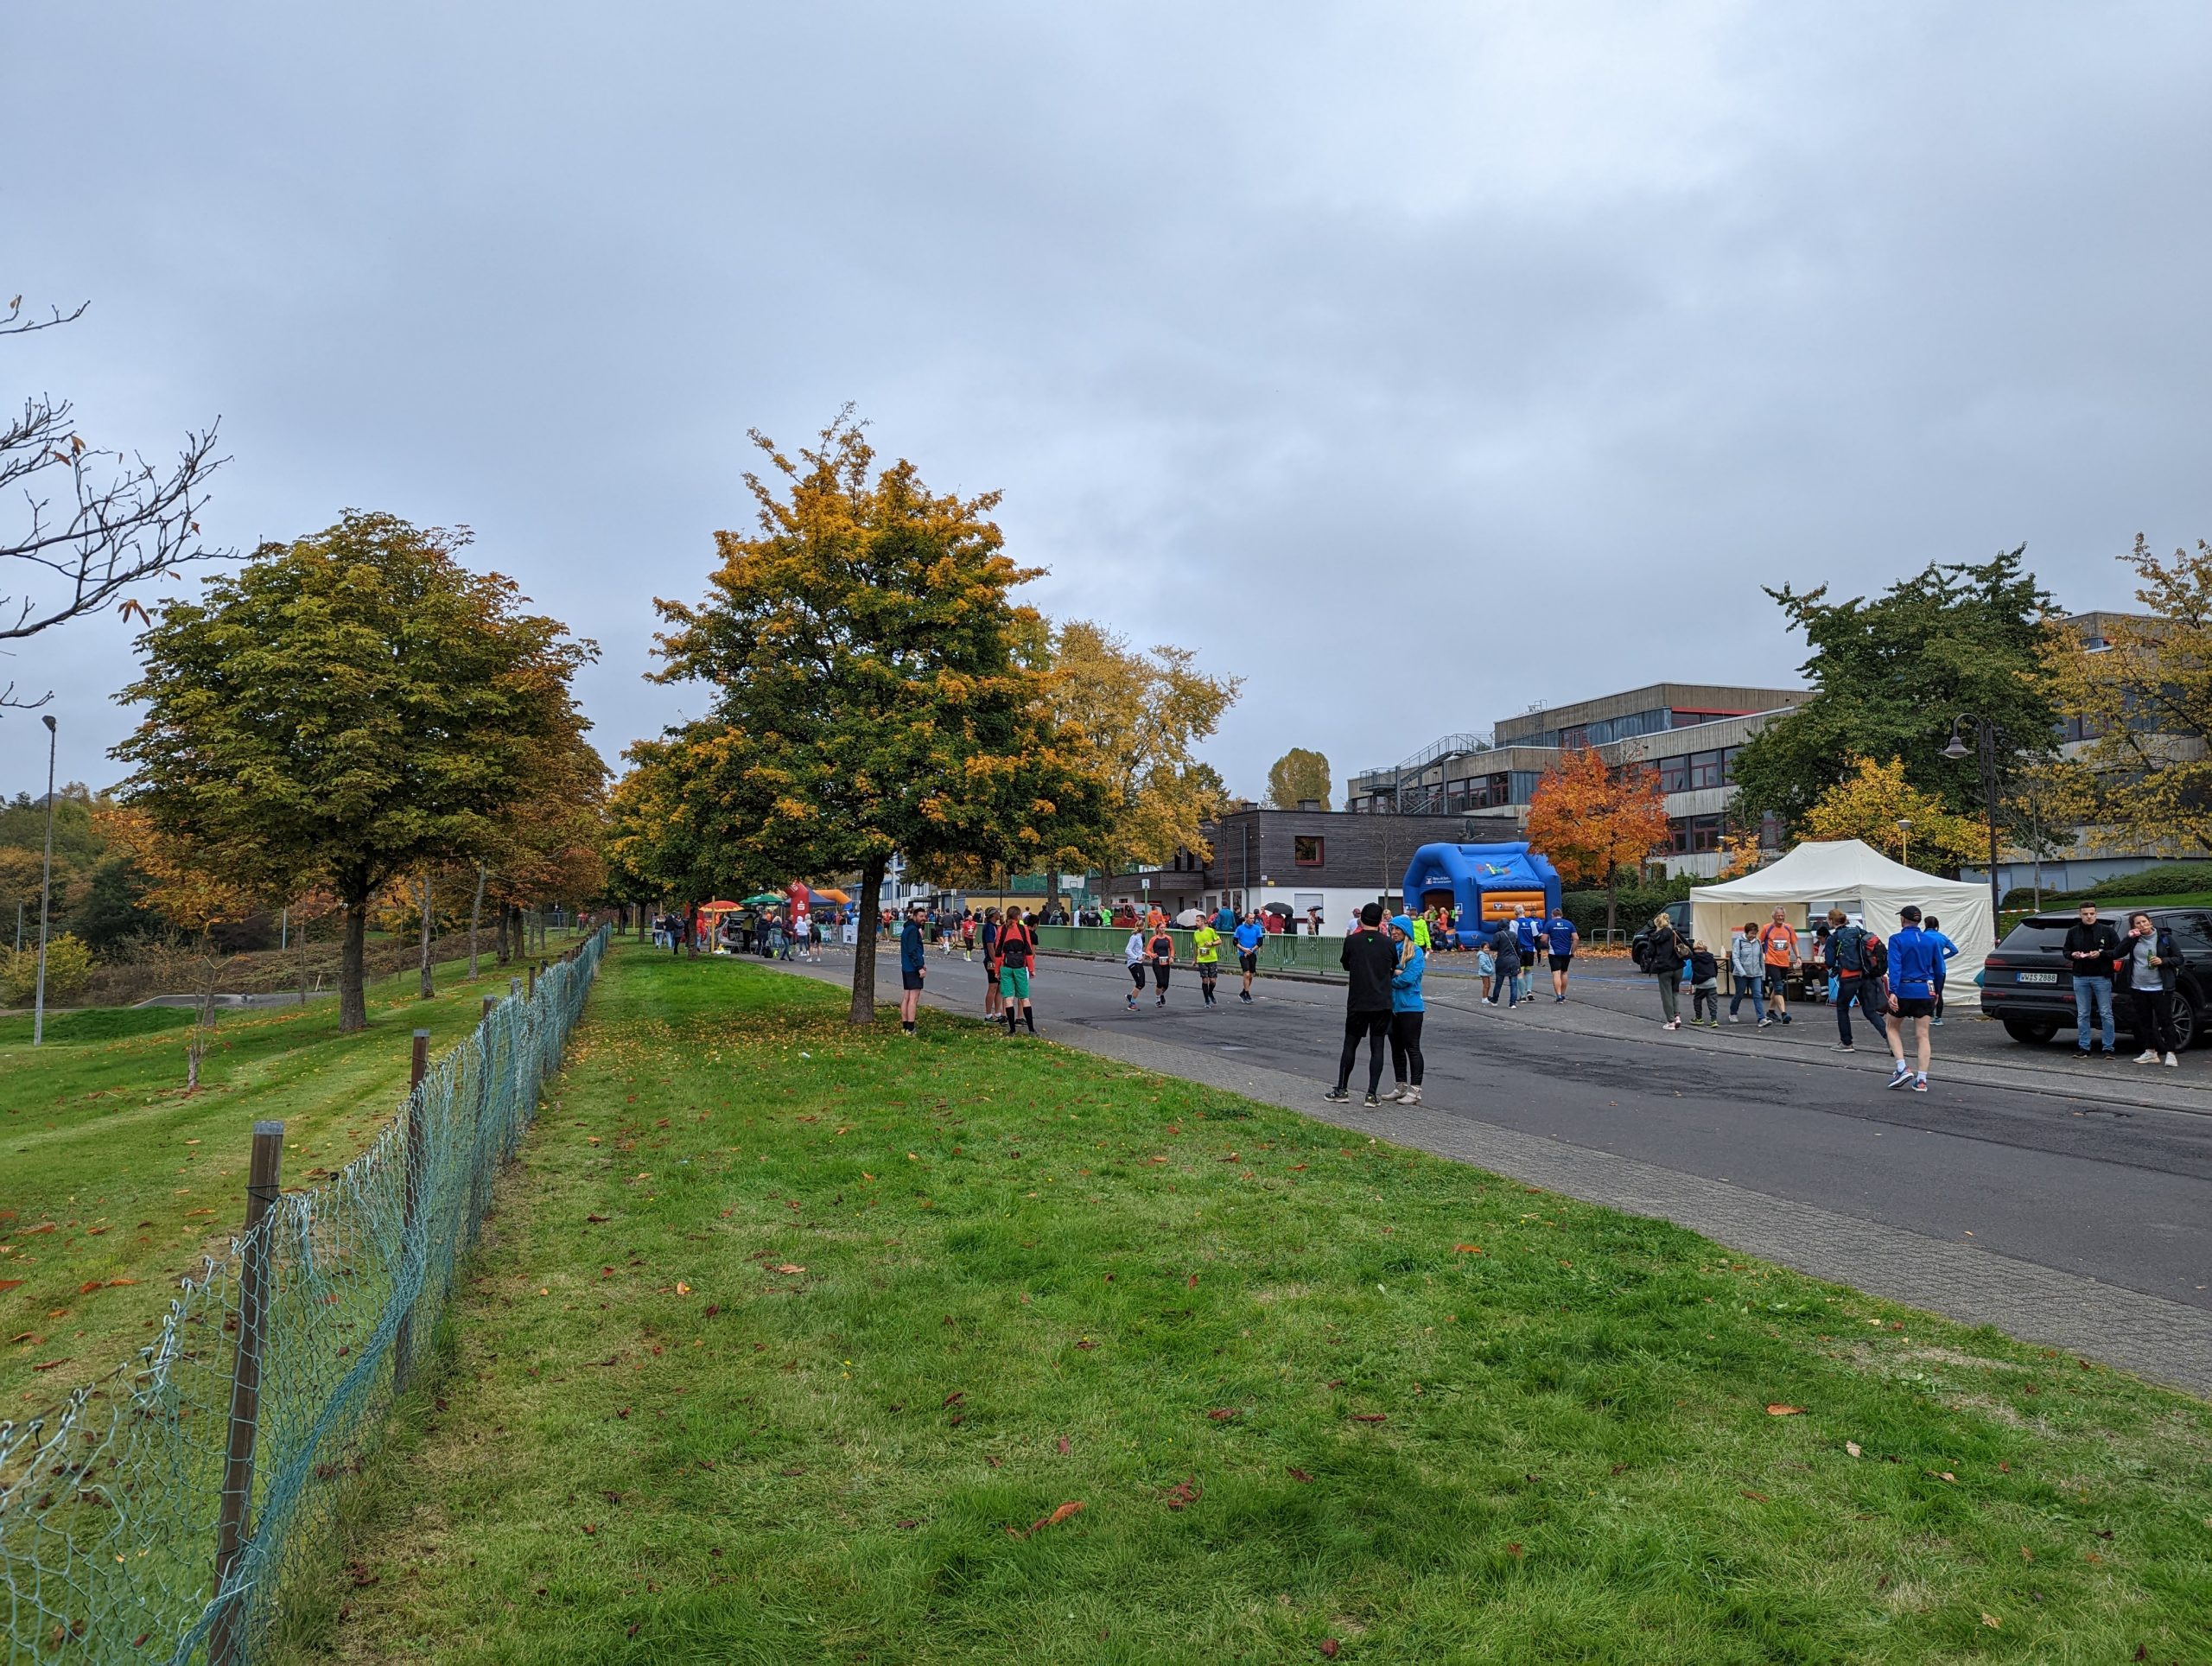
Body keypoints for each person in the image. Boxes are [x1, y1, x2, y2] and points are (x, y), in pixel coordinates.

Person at [1325, 903, 1398, 1107]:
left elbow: (1346, 964)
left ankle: (1342, 1089)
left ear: (1361, 920)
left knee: (1350, 1044)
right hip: (1382, 1001)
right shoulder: (1388, 943)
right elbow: (1393, 966)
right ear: (1381, 921)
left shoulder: (1351, 942)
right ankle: (1371, 1095)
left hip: (1358, 1000)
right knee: (1377, 1047)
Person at [1884, 905, 1939, 1091]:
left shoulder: (1896, 940)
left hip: (1905, 989)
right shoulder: (1930, 941)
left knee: (1891, 1026)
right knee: (1923, 1035)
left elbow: (1895, 966)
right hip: (1926, 990)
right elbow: (1938, 968)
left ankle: (1902, 1067)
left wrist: (1893, 991)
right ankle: (1922, 1079)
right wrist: (1937, 990)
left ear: (1902, 919)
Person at [2120, 911, 2183, 1066]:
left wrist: (2163, 960)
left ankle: (2170, 1053)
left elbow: (2179, 958)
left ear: (2150, 922)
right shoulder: (2134, 940)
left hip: (2160, 987)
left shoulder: (2164, 938)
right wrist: (2128, 938)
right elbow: (2117, 952)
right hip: (2138, 987)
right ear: (2134, 926)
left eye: (2144, 922)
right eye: (2138, 923)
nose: (2142, 925)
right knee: (2144, 1021)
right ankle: (2150, 1052)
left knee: (2165, 1020)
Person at [2064, 900, 2122, 1058]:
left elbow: (2118, 950)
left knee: (2105, 1012)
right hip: (2080, 976)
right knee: (2083, 1013)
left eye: (2092, 914)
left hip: (2101, 976)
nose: (2089, 917)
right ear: (2080, 914)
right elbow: (2066, 950)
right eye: (2085, 914)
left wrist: (2101, 954)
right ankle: (2084, 1047)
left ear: (2096, 914)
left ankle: (2108, 1048)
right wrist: (2072, 955)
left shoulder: (2107, 931)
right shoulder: (2073, 932)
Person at [1823, 908, 1885, 1052]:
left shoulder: (1833, 938)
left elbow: (1830, 962)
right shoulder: (1858, 932)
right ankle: (1891, 1039)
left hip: (1848, 976)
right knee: (1870, 1011)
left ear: (1831, 921)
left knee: (1842, 1008)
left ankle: (1846, 1042)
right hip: (1866, 975)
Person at [1384, 914, 1426, 1104]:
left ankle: (1415, 1089)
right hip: (1392, 1007)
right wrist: (1395, 972)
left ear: (1406, 931)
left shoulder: (1415, 952)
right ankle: (1400, 1086)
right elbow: (1381, 972)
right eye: (1392, 929)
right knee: (1396, 1049)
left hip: (1411, 1008)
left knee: (1412, 1048)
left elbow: (1408, 979)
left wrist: (1390, 977)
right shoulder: (1390, 949)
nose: (1394, 932)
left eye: (1398, 929)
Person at [998, 906, 1037, 1034]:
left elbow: (998, 950)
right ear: (1019, 916)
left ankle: (1012, 1030)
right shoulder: (1023, 929)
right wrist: (1031, 969)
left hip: (1006, 966)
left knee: (1008, 998)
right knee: (1024, 997)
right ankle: (1031, 1029)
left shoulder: (1002, 929)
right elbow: (1028, 950)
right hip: (1020, 965)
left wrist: (997, 970)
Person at [1646, 911, 1687, 1030]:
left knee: (1666, 995)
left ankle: (1671, 1021)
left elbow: (1650, 953)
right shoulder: (1675, 934)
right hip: (1678, 967)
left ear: (1657, 924)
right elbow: (1686, 945)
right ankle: (1677, 1016)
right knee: (1675, 992)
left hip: (1663, 968)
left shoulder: (1654, 937)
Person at [1758, 908, 1797, 1024]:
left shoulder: (1789, 928)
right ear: (1773, 917)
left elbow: (1794, 943)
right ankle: (1784, 1014)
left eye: (1782, 915)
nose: (1780, 917)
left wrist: (1798, 957)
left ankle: (1770, 1011)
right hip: (1771, 962)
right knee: (1779, 988)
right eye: (1778, 916)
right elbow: (1759, 942)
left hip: (1784, 962)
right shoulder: (1767, 928)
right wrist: (1762, 955)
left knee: (1777, 987)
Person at [1727, 923, 1769, 1025]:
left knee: (1758, 995)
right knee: (1739, 994)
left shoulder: (1758, 942)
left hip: (1756, 974)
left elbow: (1761, 959)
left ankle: (1761, 1018)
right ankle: (1733, 1013)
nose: (1753, 936)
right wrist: (1742, 971)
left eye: (1755, 933)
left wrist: (1763, 974)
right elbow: (1735, 958)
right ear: (1746, 932)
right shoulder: (1739, 942)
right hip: (1741, 974)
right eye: (1751, 933)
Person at [1922, 914, 1960, 1024]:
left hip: (1926, 970)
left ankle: (1927, 1015)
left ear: (1925, 924)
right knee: (1939, 993)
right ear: (1937, 925)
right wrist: (1942, 957)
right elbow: (1954, 950)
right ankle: (1938, 1018)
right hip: (1940, 970)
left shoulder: (1923, 936)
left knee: (1927, 993)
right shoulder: (1942, 937)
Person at [897, 904, 926, 1036]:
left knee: (907, 996)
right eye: (921, 916)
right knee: (914, 998)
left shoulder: (906, 929)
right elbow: (913, 951)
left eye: (924, 916)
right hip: (913, 968)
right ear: (914, 916)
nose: (923, 918)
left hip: (906, 967)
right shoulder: (913, 930)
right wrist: (920, 967)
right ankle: (911, 1027)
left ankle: (905, 1026)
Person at [1542, 910, 1578, 1001]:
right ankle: (1563, 994)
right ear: (1561, 915)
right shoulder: (1569, 924)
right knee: (1564, 972)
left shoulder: (1549, 924)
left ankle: (1558, 995)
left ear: (1553, 915)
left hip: (1554, 951)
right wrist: (1572, 951)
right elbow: (1576, 938)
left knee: (1556, 973)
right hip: (1566, 952)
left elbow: (1544, 939)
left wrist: (1547, 946)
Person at [1485, 919, 1522, 1008]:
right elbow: (1518, 949)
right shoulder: (1514, 935)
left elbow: (1493, 947)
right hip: (1513, 961)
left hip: (1502, 960)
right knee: (1513, 983)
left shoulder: (1498, 935)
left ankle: (1495, 1000)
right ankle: (1512, 1003)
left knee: (1499, 982)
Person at [1234, 911, 1266, 1003]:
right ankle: (1247, 994)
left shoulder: (1257, 928)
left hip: (1252, 953)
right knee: (1246, 974)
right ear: (1246, 918)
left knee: (1251, 975)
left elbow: (1260, 942)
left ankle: (1244, 991)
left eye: (1253, 918)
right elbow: (1235, 942)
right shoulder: (1240, 929)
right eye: (1251, 918)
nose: (1252, 920)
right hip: (1243, 954)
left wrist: (1251, 950)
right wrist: (1244, 949)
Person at [1510, 906, 1541, 1002]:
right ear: (1524, 911)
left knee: (1520, 972)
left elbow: (1513, 937)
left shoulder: (1514, 923)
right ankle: (1529, 991)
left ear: (1515, 913)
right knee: (1528, 970)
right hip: (1530, 949)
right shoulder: (1531, 922)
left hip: (1519, 950)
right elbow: (1536, 936)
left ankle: (1522, 995)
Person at [1192, 913, 1222, 1008]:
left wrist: (1211, 943)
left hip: (1212, 958)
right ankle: (1207, 1000)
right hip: (1202, 959)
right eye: (1196, 921)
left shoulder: (1210, 931)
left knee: (1213, 981)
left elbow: (1219, 941)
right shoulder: (1195, 933)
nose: (1196, 923)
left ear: (1203, 921)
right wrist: (1194, 959)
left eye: (1198, 921)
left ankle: (1210, 992)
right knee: (1205, 980)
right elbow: (1196, 947)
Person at [1688, 940, 1720, 1027]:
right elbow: (1715, 969)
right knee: (1712, 1002)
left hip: (1701, 983)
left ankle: (1698, 1018)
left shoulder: (1694, 958)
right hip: (1712, 981)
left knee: (1697, 999)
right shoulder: (1710, 957)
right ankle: (1714, 1020)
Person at [1147, 919, 1176, 1008]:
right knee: (1160, 982)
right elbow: (1148, 950)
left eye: (1164, 927)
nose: (1163, 929)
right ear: (1158, 929)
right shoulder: (1154, 939)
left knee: (1166, 984)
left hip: (1165, 961)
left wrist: (1171, 957)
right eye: (1161, 927)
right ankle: (1158, 999)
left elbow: (1172, 949)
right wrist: (1152, 954)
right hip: (1157, 961)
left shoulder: (1168, 938)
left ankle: (1161, 994)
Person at [1123, 921, 1148, 1010]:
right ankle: (1132, 1004)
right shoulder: (1134, 937)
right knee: (1140, 983)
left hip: (1138, 962)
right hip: (1133, 962)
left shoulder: (1140, 937)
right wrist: (1137, 957)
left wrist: (1144, 954)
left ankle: (1131, 997)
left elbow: (1137, 950)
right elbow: (1127, 950)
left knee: (1142, 983)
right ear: (1142, 927)